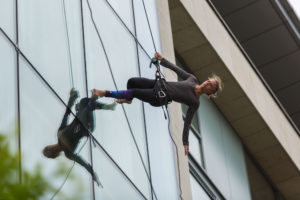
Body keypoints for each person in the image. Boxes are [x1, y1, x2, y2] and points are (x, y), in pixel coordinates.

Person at [93, 52, 223, 155]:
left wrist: (185, 142)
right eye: (208, 81)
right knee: (132, 81)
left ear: (210, 92)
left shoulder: (195, 102)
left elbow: (188, 122)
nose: (207, 83)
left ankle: (104, 93)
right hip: (158, 84)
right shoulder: (192, 79)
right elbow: (177, 70)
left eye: (210, 85)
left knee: (133, 91)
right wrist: (162, 60)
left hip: (159, 97)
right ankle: (128, 100)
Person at [43, 89, 117, 187]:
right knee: (85, 103)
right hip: (87, 127)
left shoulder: (60, 135)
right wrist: (94, 175)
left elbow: (67, 113)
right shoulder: (67, 151)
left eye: (50, 149)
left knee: (85, 103)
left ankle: (104, 105)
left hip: (85, 122)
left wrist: (72, 98)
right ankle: (97, 102)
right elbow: (83, 163)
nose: (53, 148)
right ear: (55, 153)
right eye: (52, 150)